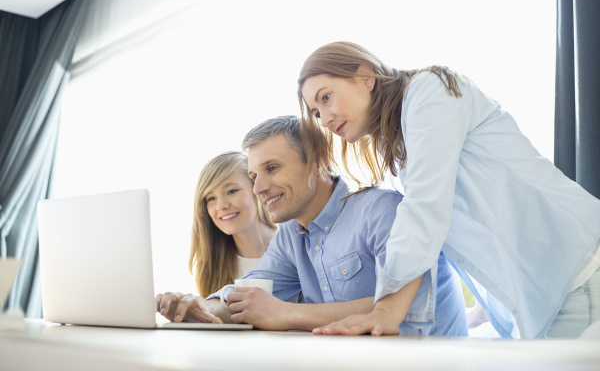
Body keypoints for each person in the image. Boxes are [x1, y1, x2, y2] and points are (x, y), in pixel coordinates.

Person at [296, 41, 600, 338]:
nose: (324, 118)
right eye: (315, 112)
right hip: (551, 289)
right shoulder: (398, 142)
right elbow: (468, 225)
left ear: (366, 77)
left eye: (326, 98)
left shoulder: (430, 90)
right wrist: (486, 310)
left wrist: (386, 312)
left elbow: (424, 210)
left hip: (575, 270)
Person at [156, 115, 468, 335]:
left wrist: (287, 314)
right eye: (253, 176)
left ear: (318, 160)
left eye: (272, 168)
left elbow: (410, 305)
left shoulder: (380, 210)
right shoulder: (291, 236)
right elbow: (248, 294)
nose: (258, 188)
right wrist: (203, 308)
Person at [156, 151, 277, 322]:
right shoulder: (215, 261)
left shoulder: (292, 244)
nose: (221, 205)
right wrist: (196, 310)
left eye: (231, 191)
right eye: (211, 198)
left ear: (256, 189)